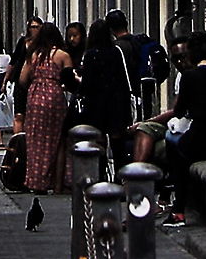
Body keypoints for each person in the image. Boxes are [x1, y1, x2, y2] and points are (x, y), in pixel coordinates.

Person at [129, 32, 206, 221]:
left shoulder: (190, 77)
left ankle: (178, 205)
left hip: (199, 139)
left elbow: (179, 111)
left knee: (173, 141)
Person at [20, 23, 73, 195]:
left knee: (36, 140)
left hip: (35, 97)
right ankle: (58, 182)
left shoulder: (34, 55)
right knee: (57, 140)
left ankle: (37, 181)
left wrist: (36, 83)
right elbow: (70, 77)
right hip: (55, 96)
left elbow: (22, 79)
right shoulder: (62, 55)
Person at [77, 17, 136, 158]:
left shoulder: (90, 55)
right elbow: (123, 78)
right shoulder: (115, 52)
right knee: (117, 140)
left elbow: (87, 83)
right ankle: (119, 171)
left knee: (98, 138)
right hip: (115, 101)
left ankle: (100, 170)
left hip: (96, 103)